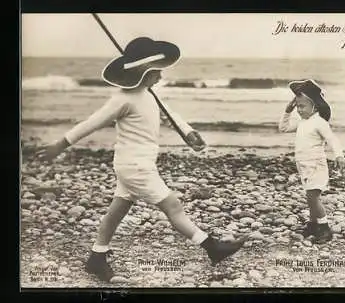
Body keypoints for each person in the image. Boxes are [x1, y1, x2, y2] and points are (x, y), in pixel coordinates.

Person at [36, 37, 245, 282]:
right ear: (143, 73)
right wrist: (61, 144)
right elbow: (92, 123)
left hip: (135, 165)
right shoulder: (123, 99)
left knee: (116, 212)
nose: (161, 77)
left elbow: (169, 116)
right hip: (135, 167)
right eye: (156, 73)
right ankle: (212, 248)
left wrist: (188, 133)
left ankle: (96, 258)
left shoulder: (148, 94)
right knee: (173, 206)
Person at [278, 79, 345, 244]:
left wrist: (339, 155)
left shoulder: (319, 123)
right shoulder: (302, 122)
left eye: (302, 106)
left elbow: (332, 139)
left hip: (316, 165)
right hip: (303, 165)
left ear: (315, 106)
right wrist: (287, 111)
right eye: (297, 106)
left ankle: (324, 227)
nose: (299, 110)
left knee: (312, 197)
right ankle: (313, 224)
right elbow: (283, 128)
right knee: (310, 197)